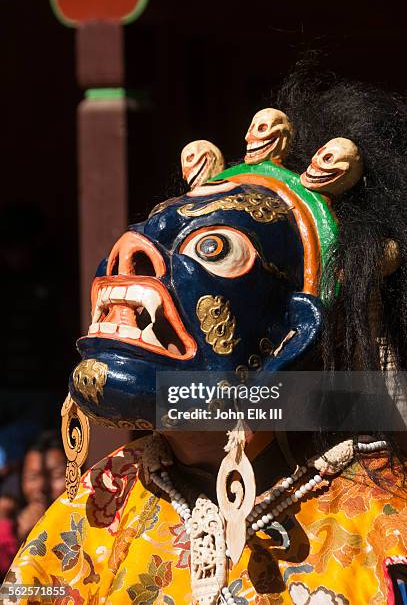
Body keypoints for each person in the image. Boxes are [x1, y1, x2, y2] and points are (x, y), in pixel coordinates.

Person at [2, 71, 407, 604]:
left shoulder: (382, 525)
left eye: (213, 248)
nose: (128, 256)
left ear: (289, 332)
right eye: (143, 238)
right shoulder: (92, 510)